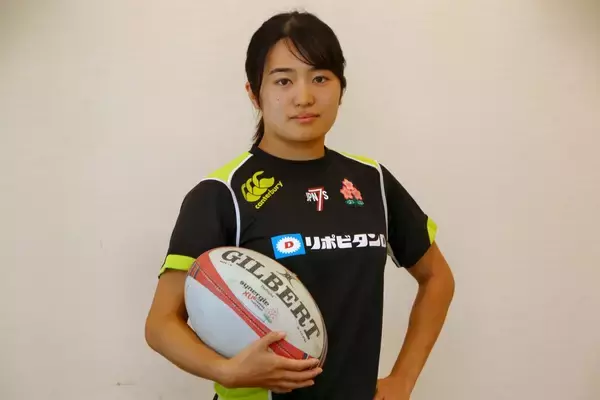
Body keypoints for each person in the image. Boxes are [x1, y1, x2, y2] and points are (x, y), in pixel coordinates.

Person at [145, 10, 455, 400]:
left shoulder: (370, 181)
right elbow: (161, 324)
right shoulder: (221, 193)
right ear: (254, 93)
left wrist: (403, 379)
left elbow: (437, 277)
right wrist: (226, 371)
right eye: (283, 80)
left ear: (341, 88)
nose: (304, 96)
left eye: (320, 78)